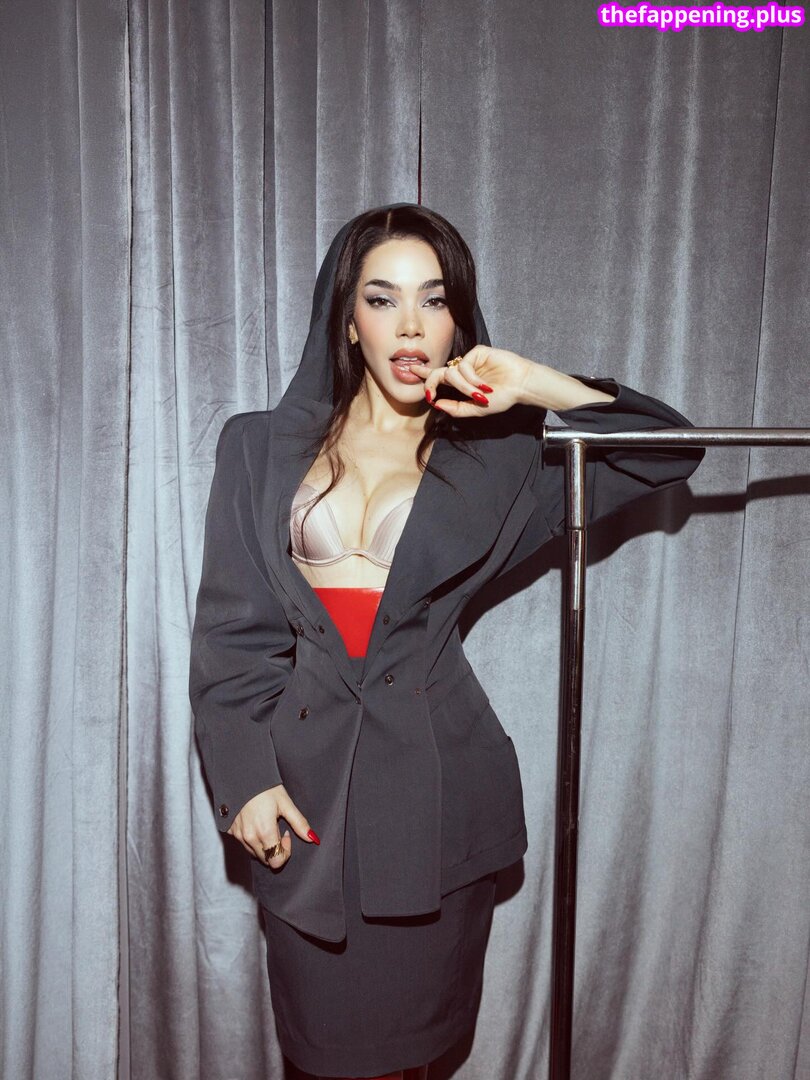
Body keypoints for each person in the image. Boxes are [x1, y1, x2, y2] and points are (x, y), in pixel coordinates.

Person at [188, 202, 704, 1080]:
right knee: (319, 1059)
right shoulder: (256, 447)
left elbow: (670, 452)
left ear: (458, 318)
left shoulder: (502, 459)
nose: (410, 325)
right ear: (346, 319)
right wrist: (244, 781)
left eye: (433, 300)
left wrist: (535, 384)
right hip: (306, 813)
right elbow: (234, 636)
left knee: (415, 1062)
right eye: (382, 298)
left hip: (436, 812)